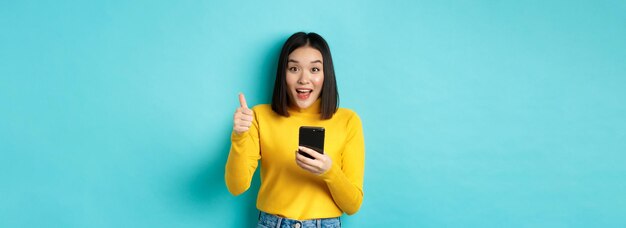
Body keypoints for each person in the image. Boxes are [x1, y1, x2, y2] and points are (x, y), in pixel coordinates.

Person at [226, 32, 365, 228]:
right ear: (283, 74)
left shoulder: (348, 121)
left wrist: (329, 171)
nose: (304, 79)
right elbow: (236, 187)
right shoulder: (259, 116)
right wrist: (240, 137)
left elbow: (353, 205)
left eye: (315, 69)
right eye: (294, 68)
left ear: (326, 75)